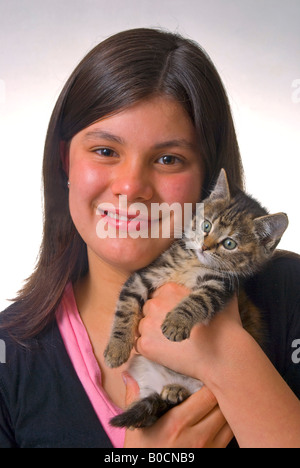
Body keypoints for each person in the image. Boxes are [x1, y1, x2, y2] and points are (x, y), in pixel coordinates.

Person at [0, 28, 299, 448]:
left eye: (167, 159)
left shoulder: (289, 294)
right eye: (105, 151)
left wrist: (231, 359)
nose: (131, 186)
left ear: (209, 185)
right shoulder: (10, 355)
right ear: (64, 161)